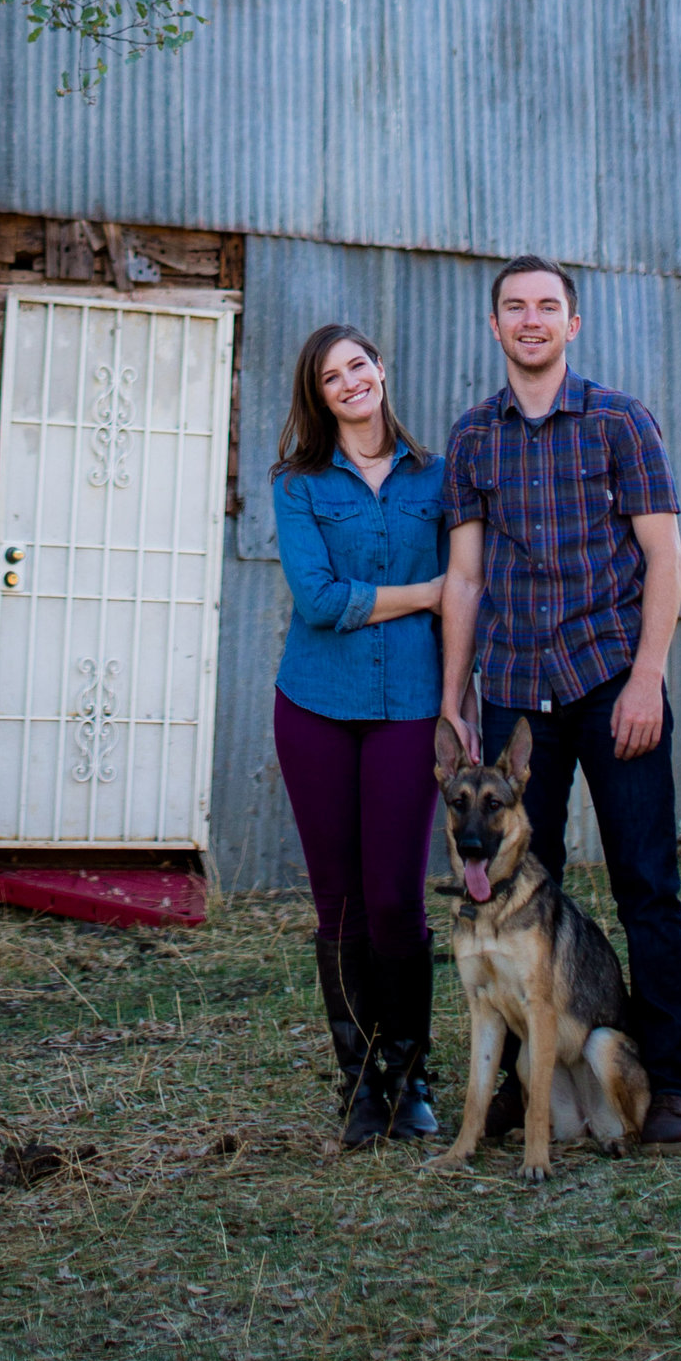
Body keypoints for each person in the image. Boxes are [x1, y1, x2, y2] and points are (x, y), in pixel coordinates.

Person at [439, 255, 681, 1148]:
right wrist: (455, 702)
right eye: (513, 307)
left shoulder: (622, 424)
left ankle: (668, 1083)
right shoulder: (475, 438)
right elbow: (467, 579)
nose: (530, 320)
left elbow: (664, 558)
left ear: (572, 323)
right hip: (515, 697)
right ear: (495, 325)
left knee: (644, 883)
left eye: (546, 306)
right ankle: (524, 1085)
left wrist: (647, 676)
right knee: (513, 891)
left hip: (608, 682)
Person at [270, 324, 450, 1149]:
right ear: (318, 395)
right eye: (329, 376)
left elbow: (470, 596)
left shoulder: (440, 480)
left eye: (357, 366)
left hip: (410, 704)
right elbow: (318, 600)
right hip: (313, 704)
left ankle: (410, 1079)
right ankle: (358, 1089)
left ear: (382, 367)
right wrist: (426, 593)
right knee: (337, 903)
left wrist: (460, 699)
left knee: (395, 899)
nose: (348, 383)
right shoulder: (299, 484)